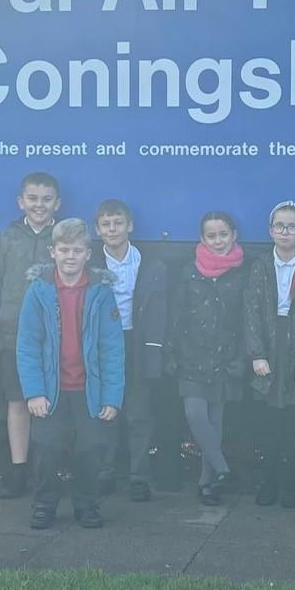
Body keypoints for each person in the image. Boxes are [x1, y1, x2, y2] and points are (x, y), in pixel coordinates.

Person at [16, 218, 123, 530]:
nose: (70, 256)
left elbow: (112, 348)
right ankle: (44, 504)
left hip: (90, 389)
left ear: (88, 254)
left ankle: (86, 504)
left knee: (91, 450)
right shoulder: (38, 292)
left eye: (77, 250)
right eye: (64, 250)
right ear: (52, 252)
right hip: (51, 389)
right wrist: (34, 392)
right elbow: (27, 346)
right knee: (46, 448)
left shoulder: (102, 293)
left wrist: (112, 396)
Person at [0, 171, 62, 499]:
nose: (39, 205)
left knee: (50, 403)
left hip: (54, 338)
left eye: (46, 199)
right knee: (17, 401)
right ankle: (18, 469)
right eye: (33, 198)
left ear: (58, 203)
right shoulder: (7, 238)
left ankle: (48, 469)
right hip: (12, 335)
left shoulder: (65, 237)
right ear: (21, 202)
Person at [243, 200, 295, 508]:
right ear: (270, 231)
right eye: (279, 226)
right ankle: (268, 482)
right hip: (269, 344)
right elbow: (251, 311)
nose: (285, 231)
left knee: (293, 422)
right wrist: (257, 354)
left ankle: (291, 485)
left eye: (292, 227)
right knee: (268, 422)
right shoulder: (260, 265)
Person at [168, 211, 247, 506]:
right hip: (191, 355)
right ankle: (223, 467)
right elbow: (176, 313)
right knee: (195, 414)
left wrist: (242, 355)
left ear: (234, 235)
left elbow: (246, 318)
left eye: (223, 234)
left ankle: (206, 484)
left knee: (215, 421)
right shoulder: (188, 271)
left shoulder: (242, 272)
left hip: (225, 356)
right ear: (202, 238)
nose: (218, 241)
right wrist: (171, 350)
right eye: (211, 236)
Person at [94, 199, 167, 502]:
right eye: (106, 224)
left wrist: (153, 349)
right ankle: (105, 472)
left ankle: (139, 476)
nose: (113, 229)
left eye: (118, 223)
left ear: (130, 226)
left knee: (139, 413)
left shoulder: (150, 264)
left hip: (137, 342)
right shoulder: (90, 264)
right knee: (106, 409)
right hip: (104, 343)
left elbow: (160, 311)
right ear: (97, 230)